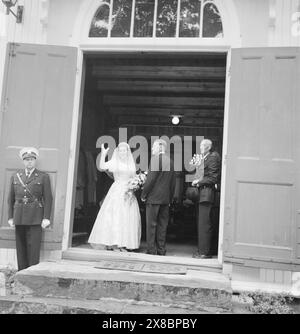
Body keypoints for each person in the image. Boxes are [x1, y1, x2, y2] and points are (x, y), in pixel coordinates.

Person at [88, 142, 141, 252]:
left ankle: (123, 244)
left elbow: (133, 177)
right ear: (118, 151)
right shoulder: (114, 162)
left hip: (128, 192)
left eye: (124, 150)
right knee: (116, 216)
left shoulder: (131, 164)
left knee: (126, 218)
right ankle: (114, 244)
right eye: (120, 150)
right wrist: (103, 153)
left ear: (127, 152)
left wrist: (134, 185)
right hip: (117, 191)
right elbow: (102, 166)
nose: (122, 152)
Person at [7, 147, 53, 271]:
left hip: (35, 216)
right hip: (19, 215)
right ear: (23, 161)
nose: (29, 162)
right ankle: (21, 272)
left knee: (33, 248)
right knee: (20, 246)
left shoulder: (43, 177)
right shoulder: (16, 176)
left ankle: (32, 273)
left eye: (32, 159)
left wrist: (46, 218)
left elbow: (48, 198)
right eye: (27, 160)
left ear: (35, 161)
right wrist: (10, 217)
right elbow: (10, 198)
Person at [141, 139, 176, 256]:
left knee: (151, 225)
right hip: (165, 199)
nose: (152, 149)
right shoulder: (171, 162)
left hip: (153, 198)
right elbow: (173, 183)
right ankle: (161, 250)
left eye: (153, 147)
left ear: (160, 148)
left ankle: (151, 250)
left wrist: (144, 194)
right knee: (162, 225)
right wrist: (170, 198)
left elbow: (151, 180)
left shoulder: (156, 159)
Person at [191, 139, 221, 259]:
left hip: (207, 195)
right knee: (204, 224)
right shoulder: (205, 157)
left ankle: (204, 252)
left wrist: (198, 181)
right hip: (203, 194)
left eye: (203, 146)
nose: (200, 147)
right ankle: (206, 250)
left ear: (208, 147)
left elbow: (213, 178)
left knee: (205, 225)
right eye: (200, 145)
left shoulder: (213, 157)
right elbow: (204, 174)